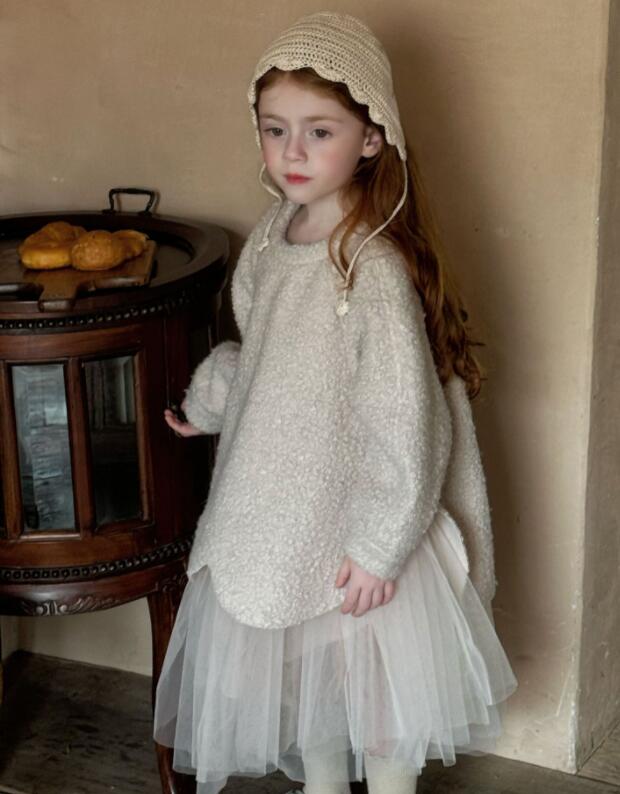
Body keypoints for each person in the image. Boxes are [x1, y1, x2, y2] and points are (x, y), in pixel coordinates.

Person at [153, 11, 518, 794]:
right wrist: (210, 404)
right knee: (310, 692)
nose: (292, 151)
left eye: (319, 132)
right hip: (285, 515)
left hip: (358, 524)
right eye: (274, 129)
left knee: (380, 702)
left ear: (371, 138)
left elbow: (406, 418)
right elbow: (267, 361)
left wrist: (382, 546)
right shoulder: (274, 234)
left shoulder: (370, 268)